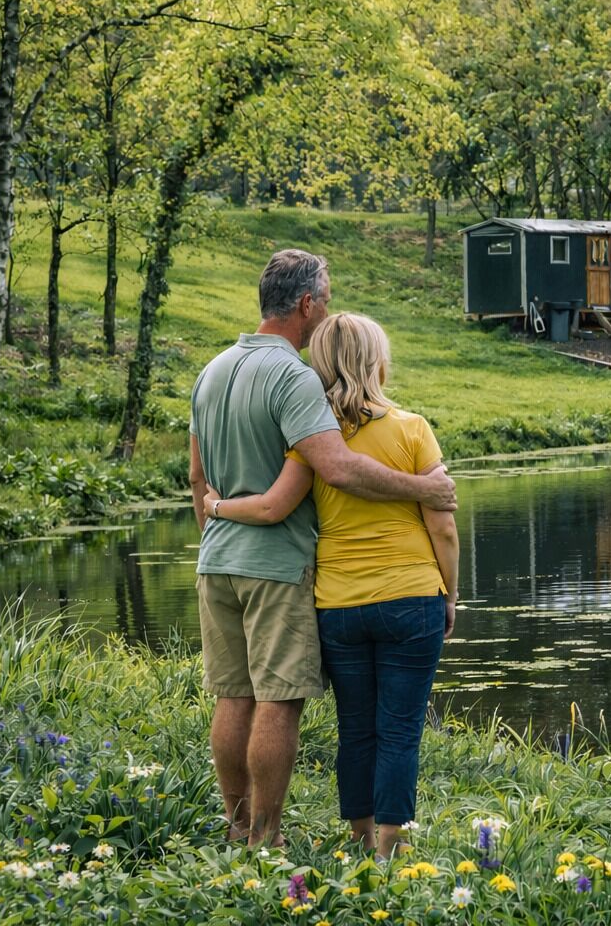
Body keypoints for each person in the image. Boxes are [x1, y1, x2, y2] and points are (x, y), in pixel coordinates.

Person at [189, 250, 457, 847]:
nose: (327, 311)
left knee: (233, 696)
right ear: (306, 304)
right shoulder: (292, 376)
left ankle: (236, 829)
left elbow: (196, 478)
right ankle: (265, 834)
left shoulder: (211, 370)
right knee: (278, 702)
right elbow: (335, 468)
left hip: (218, 560)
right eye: (327, 298)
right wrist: (426, 488)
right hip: (274, 565)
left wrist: (212, 525)